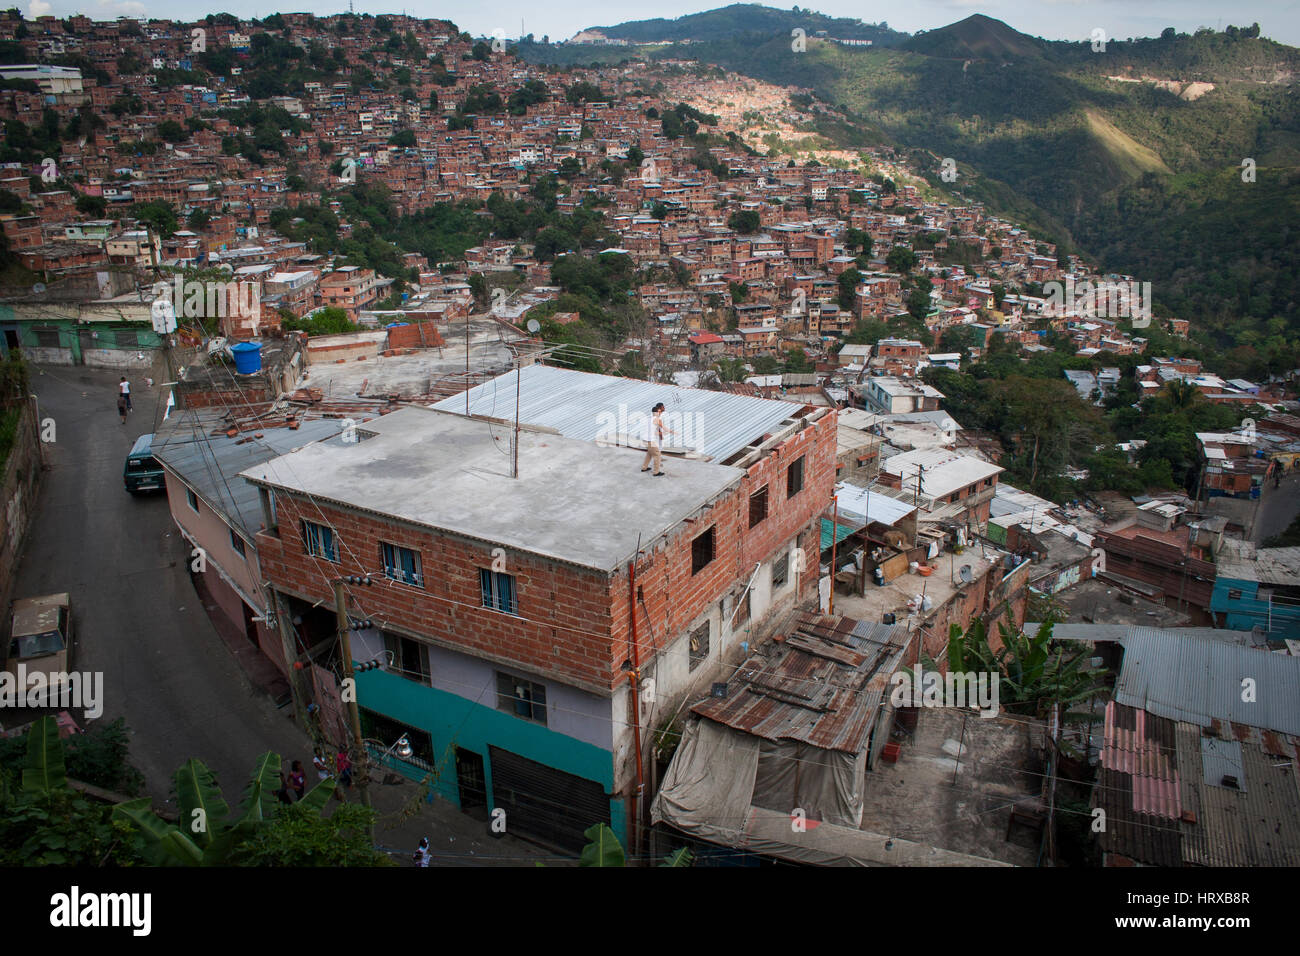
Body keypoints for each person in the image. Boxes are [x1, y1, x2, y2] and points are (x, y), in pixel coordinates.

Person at [640, 402, 676, 477]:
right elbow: (662, 428)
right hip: (650, 440)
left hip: (645, 439)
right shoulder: (657, 419)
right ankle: (656, 472)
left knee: (649, 453)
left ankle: (644, 467)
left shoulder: (650, 418)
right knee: (657, 455)